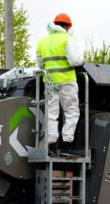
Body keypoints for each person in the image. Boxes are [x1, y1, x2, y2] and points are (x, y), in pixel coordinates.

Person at [36, 13, 85, 151]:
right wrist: (82, 61)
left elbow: (40, 65)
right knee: (71, 112)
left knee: (51, 113)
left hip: (50, 83)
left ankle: (51, 145)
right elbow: (75, 60)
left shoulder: (42, 42)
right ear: (68, 27)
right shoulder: (67, 39)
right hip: (66, 81)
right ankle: (67, 143)